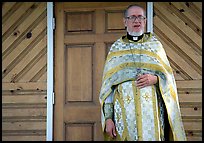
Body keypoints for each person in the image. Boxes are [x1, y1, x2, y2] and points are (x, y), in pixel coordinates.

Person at [99, 4, 187, 141]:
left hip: (151, 115)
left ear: (145, 21)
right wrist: (108, 119)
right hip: (124, 115)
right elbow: (108, 88)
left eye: (140, 17)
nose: (137, 21)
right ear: (125, 21)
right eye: (132, 17)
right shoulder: (116, 48)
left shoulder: (155, 45)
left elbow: (168, 77)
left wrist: (156, 79)